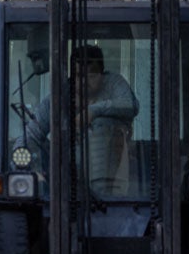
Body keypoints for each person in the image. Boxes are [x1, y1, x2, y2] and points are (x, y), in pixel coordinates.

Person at [23, 45, 138, 196]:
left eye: (91, 76)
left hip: (113, 174)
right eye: (78, 75)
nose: (84, 82)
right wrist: (35, 169)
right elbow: (29, 136)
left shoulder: (113, 83)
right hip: (68, 178)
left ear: (102, 74)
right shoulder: (60, 96)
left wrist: (93, 110)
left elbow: (130, 104)